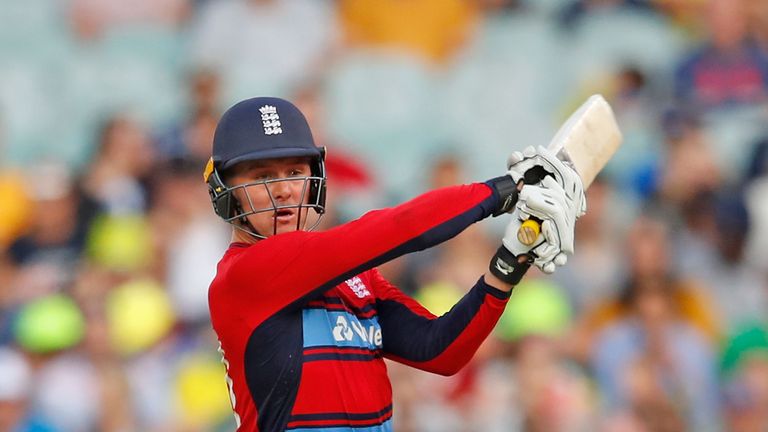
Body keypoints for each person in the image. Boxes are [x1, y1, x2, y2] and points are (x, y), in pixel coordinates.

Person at [204, 97, 586, 431]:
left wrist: (510, 259)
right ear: (227, 193)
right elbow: (397, 228)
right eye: (263, 176)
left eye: (294, 172)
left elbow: (438, 350)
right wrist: (505, 190)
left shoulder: (354, 278)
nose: (284, 189)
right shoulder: (243, 277)